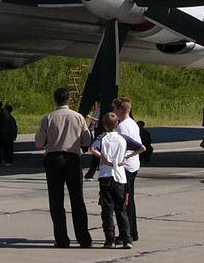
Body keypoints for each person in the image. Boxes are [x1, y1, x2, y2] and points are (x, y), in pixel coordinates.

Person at [35, 87, 93, 248]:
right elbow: (87, 141)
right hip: (72, 158)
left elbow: (39, 143)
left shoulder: (48, 118)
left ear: (55, 100)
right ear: (69, 100)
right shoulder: (78, 117)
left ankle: (61, 238)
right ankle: (83, 238)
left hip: (53, 159)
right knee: (77, 199)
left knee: (56, 200)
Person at [90, 112, 134, 248]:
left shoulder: (102, 138)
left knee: (107, 210)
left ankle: (110, 239)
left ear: (103, 124)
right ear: (117, 124)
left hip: (106, 175)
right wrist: (126, 157)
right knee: (121, 208)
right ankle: (127, 238)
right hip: (120, 176)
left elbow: (92, 148)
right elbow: (141, 147)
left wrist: (102, 157)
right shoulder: (122, 137)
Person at [113, 97, 143, 241]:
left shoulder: (122, 127)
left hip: (126, 167)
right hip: (133, 164)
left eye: (114, 109)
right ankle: (132, 230)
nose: (113, 112)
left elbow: (121, 146)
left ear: (120, 110)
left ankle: (128, 232)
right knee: (129, 199)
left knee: (124, 200)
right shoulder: (132, 123)